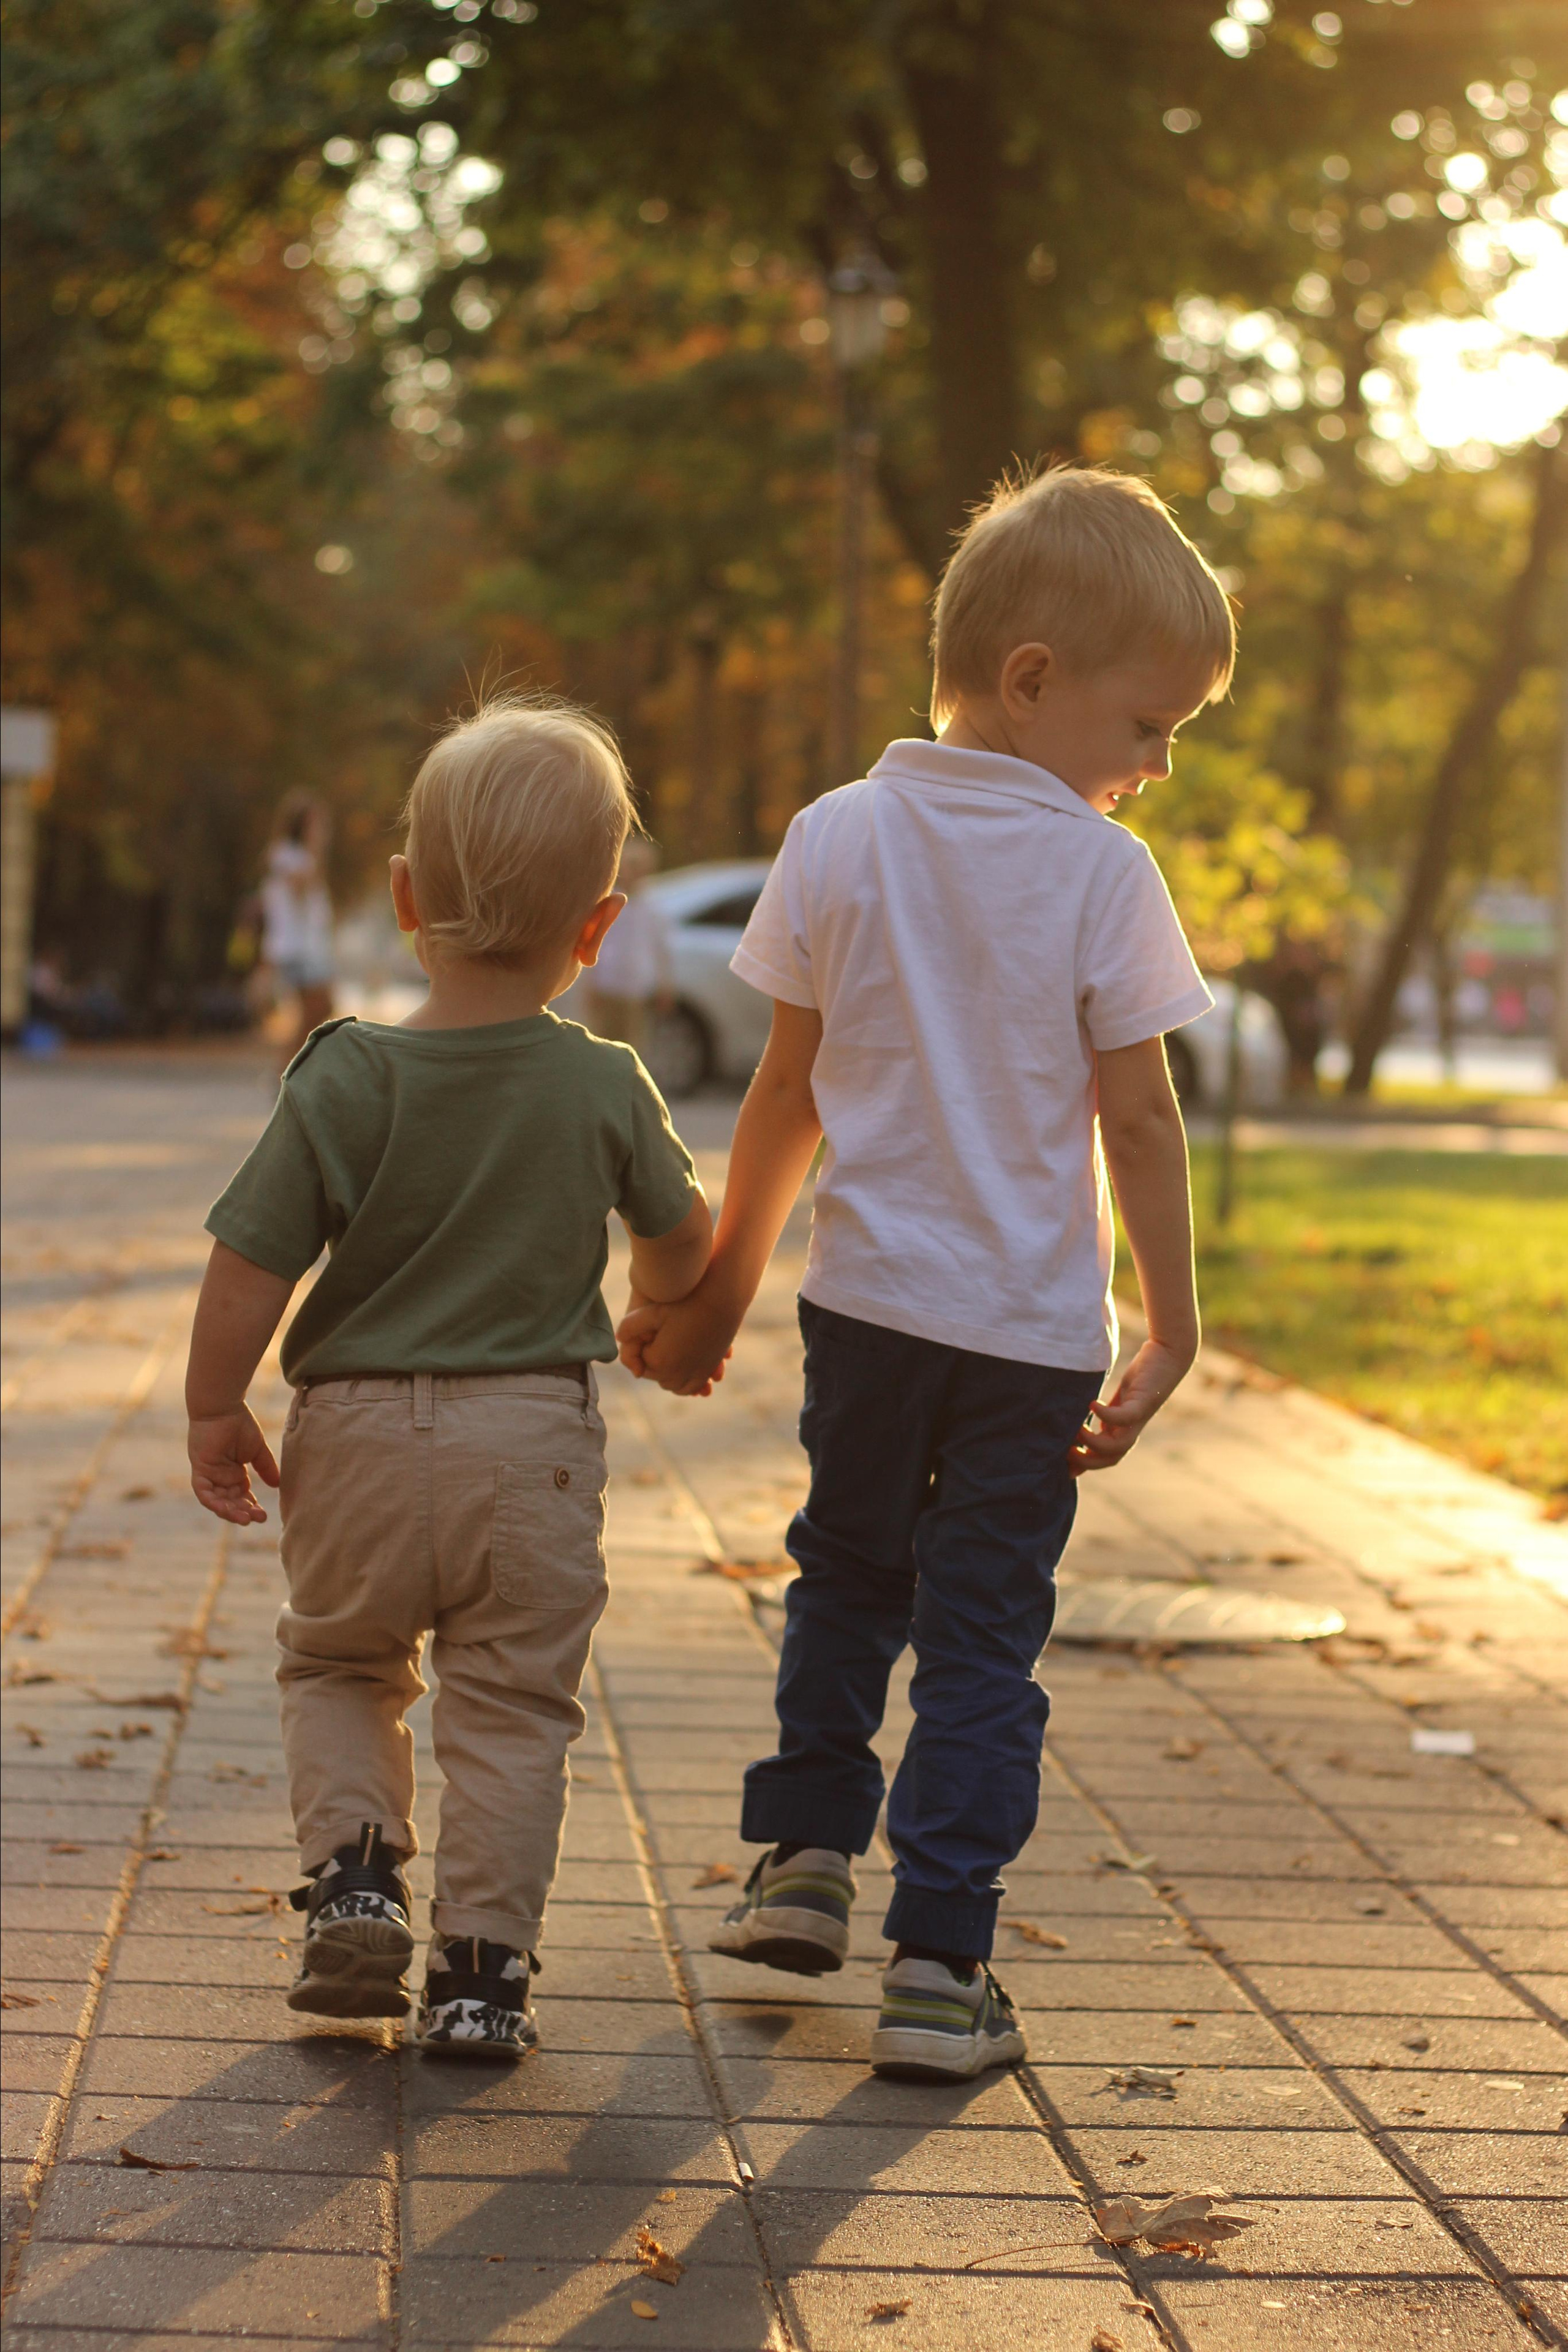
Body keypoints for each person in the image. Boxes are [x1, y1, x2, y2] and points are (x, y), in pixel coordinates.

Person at [620, 464, 1234, 2082]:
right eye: (1151, 726)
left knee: (843, 1578)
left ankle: (802, 1863)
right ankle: (942, 1965)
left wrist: (725, 1283)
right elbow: (1142, 1117)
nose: (1160, 769)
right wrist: (1170, 1328)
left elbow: (784, 1093)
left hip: (868, 1313)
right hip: (1030, 1337)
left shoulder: (836, 835)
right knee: (981, 1642)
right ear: (1033, 681)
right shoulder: (1106, 877)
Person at [184, 698, 712, 2056]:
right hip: (528, 1442)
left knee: (342, 1667)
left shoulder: (343, 1074)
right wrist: (661, 1307)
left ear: (408, 899)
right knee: (511, 1703)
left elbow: (251, 1260)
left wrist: (210, 1404)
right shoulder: (605, 1085)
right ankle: (480, 1973)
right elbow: (684, 1238)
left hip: (353, 1438)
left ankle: (355, 1880)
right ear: (595, 930)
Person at [581, 834, 672, 1059]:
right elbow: (595, 943)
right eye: (631, 865)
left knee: (633, 1049)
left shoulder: (653, 905)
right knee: (602, 1047)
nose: (635, 872)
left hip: (636, 989)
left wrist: (665, 984)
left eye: (641, 866)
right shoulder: (608, 901)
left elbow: (661, 948)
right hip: (608, 985)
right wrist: (590, 984)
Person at [261, 793, 336, 1063]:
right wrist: (315, 849)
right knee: (317, 1007)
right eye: (315, 824)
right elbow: (299, 890)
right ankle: (285, 1069)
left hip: (311, 947)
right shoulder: (285, 854)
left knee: (320, 1008)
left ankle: (292, 1068)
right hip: (294, 947)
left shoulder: (304, 857)